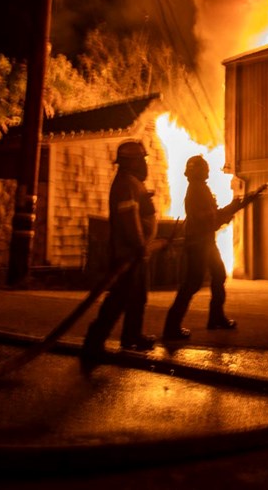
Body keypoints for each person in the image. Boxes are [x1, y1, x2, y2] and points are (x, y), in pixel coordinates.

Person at [81, 140, 166, 371]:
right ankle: (93, 344)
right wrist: (139, 245)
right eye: (142, 159)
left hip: (135, 252)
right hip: (127, 253)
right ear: (132, 162)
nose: (144, 163)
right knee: (118, 299)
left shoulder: (131, 183)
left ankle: (132, 336)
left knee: (137, 297)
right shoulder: (125, 184)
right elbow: (129, 218)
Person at [162, 155, 264, 342]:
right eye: (205, 168)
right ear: (199, 171)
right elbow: (210, 218)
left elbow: (213, 215)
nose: (208, 171)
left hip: (205, 242)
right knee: (191, 284)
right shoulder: (197, 190)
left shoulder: (199, 188)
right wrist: (234, 208)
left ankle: (215, 318)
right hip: (199, 244)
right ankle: (171, 327)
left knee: (218, 276)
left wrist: (238, 204)